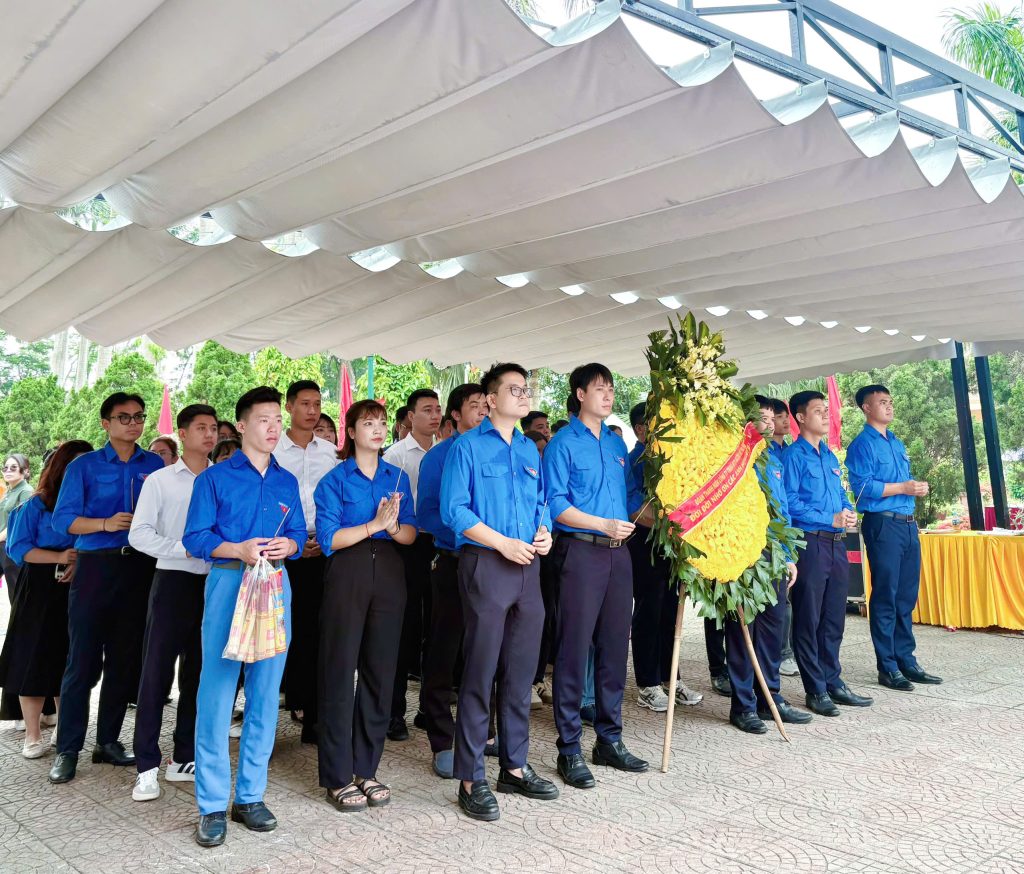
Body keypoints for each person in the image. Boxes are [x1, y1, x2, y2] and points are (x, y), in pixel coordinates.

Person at [183, 386, 308, 848]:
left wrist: (290, 545)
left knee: (265, 691)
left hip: (274, 583)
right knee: (216, 692)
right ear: (241, 425)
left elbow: (299, 532)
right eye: (263, 420)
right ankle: (213, 804)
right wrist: (236, 548)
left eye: (277, 419)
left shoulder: (286, 480)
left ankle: (251, 796)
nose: (273, 428)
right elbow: (195, 537)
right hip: (229, 583)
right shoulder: (214, 479)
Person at [441, 362, 558, 821]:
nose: (524, 395)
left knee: (521, 673)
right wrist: (501, 543)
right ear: (491, 400)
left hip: (528, 567)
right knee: (481, 671)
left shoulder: (529, 448)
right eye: (514, 389)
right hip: (487, 565)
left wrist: (544, 531)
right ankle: (471, 778)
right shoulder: (467, 447)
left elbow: (542, 502)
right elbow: (455, 511)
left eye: (526, 389)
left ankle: (514, 766)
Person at [47, 393, 163, 785]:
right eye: (123, 417)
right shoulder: (85, 466)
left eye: (138, 416)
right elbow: (63, 520)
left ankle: (108, 742)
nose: (133, 423)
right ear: (105, 423)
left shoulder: (154, 465)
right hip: (96, 566)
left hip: (140, 567)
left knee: (124, 659)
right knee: (81, 661)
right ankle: (67, 749)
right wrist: (104, 524)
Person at [544, 364, 647, 790]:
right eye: (600, 389)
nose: (608, 396)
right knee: (573, 648)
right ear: (580, 394)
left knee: (614, 647)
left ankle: (609, 739)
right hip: (580, 552)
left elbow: (629, 497)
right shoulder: (562, 444)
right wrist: (601, 524)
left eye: (611, 389)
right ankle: (569, 748)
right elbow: (555, 504)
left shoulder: (617, 443)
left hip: (619, 555)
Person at [315, 400, 416, 812]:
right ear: (351, 431)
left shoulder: (397, 477)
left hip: (390, 572)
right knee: (339, 671)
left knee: (380, 671)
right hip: (348, 571)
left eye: (382, 423)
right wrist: (374, 525)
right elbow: (329, 539)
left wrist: (393, 525)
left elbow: (410, 534)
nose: (377, 429)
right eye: (368, 423)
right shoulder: (334, 480)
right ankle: (337, 775)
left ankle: (366, 769)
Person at [128, 404, 218, 802]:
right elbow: (139, 534)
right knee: (156, 674)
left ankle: (184, 756)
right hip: (172, 581)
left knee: (199, 673)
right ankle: (146, 766)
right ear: (182, 433)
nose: (209, 434)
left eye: (213, 428)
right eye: (201, 428)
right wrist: (186, 548)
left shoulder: (222, 478)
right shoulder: (161, 480)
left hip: (214, 583)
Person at [723, 397, 811, 734]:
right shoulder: (734, 458)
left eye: (772, 417)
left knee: (773, 629)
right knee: (743, 631)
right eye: (762, 416)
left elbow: (783, 510)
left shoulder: (773, 457)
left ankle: (770, 696)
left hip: (773, 554)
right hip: (743, 556)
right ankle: (743, 705)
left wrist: (788, 556)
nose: (770, 422)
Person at [846, 384, 941, 691]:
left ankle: (906, 660)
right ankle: (887, 667)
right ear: (866, 408)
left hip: (908, 524)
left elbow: (900, 484)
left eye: (890, 401)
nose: (889, 406)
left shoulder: (896, 441)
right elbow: (862, 489)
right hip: (883, 524)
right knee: (886, 594)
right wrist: (903, 487)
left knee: (906, 596)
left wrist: (914, 488)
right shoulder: (862, 445)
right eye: (882, 402)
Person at [783, 390, 872, 718]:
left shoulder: (830, 456)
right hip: (810, 542)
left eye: (826, 410)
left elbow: (841, 493)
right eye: (818, 410)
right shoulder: (792, 456)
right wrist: (828, 518)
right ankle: (815, 689)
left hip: (836, 543)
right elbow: (789, 502)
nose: (825, 415)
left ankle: (833, 680)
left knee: (834, 616)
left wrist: (847, 512)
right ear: (801, 417)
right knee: (809, 617)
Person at [416, 383, 489, 778]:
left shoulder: (499, 449)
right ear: (456, 416)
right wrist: (471, 535)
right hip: (453, 560)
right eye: (474, 406)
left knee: (486, 651)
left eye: (485, 405)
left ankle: (482, 733)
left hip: (493, 565)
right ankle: (441, 738)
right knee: (444, 650)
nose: (482, 412)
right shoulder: (440, 456)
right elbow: (427, 513)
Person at [0, 441, 90, 757]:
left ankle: (64, 730)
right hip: (38, 589)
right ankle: (33, 735)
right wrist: (59, 557)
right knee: (33, 658)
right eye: (75, 464)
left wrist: (77, 561)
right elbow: (19, 549)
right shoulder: (35, 505)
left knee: (68, 658)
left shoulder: (91, 504)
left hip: (77, 587)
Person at [625, 403, 702, 714]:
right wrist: (668, 524)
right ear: (640, 429)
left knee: (672, 611)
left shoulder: (671, 457)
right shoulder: (635, 462)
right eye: (658, 423)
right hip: (646, 543)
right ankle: (648, 684)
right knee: (650, 611)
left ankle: (672, 679)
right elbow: (634, 508)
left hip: (673, 544)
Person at [274, 380, 338, 745]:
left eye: (317, 403)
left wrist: (320, 539)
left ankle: (315, 716)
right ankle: (284, 702)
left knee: (317, 632)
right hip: (281, 551)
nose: (312, 411)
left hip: (322, 548)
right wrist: (294, 544)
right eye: (304, 404)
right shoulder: (273, 450)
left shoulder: (329, 452)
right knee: (281, 631)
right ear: (289, 406)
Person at [382, 388, 442, 741]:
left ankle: (428, 709)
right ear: (410, 416)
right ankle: (394, 712)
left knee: (436, 630)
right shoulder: (396, 455)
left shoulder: (447, 450)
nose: (434, 416)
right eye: (426, 410)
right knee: (404, 629)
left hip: (439, 544)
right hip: (406, 545)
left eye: (437, 409)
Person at [767, 398, 799, 678]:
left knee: (789, 599)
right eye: (779, 416)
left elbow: (786, 504)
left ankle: (789, 650)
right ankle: (781, 653)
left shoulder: (786, 453)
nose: (783, 421)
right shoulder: (760, 455)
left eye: (778, 416)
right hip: (765, 542)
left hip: (788, 537)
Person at [0, 454, 34, 602]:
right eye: (5, 468)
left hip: (12, 547)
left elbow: (18, 523)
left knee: (16, 594)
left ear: (25, 471)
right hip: (2, 546)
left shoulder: (26, 491)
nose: (8, 470)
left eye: (13, 467)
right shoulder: (9, 491)